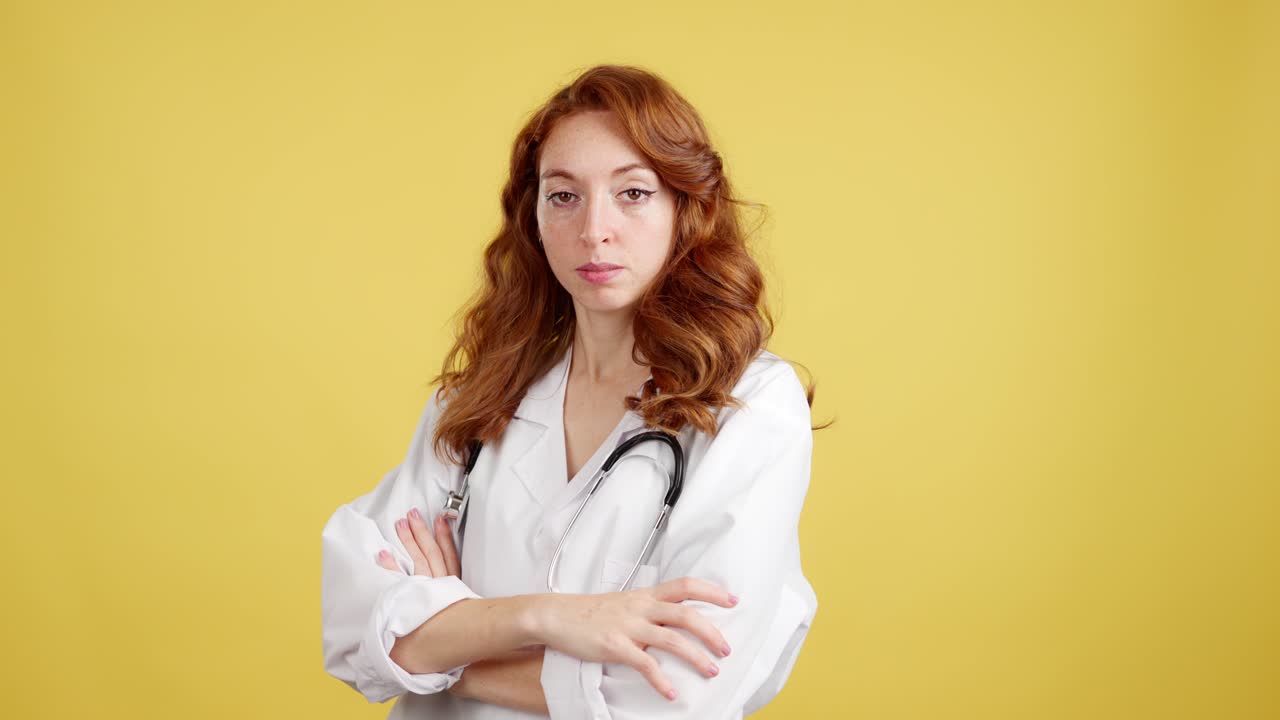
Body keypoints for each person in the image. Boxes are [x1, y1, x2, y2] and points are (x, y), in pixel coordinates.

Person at [321, 64, 826, 719]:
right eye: (563, 196)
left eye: (633, 193)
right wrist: (547, 617)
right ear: (532, 217)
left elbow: (675, 694)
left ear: (686, 208)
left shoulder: (749, 405)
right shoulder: (479, 397)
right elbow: (354, 629)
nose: (594, 230)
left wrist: (446, 649)